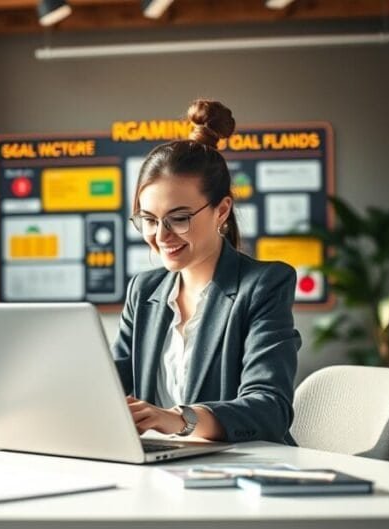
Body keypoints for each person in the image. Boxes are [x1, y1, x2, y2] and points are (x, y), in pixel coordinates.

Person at [112, 98, 302, 444]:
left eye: (179, 218)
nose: (161, 235)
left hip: (240, 470)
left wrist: (176, 420)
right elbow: (109, 386)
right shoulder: (144, 291)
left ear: (221, 211)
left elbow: (269, 408)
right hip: (158, 470)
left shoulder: (264, 285)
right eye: (149, 220)